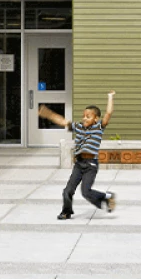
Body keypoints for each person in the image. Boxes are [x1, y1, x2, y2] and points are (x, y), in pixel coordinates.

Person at [40, 91, 117, 220]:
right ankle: (66, 212)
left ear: (95, 119)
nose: (84, 118)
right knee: (67, 191)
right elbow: (63, 121)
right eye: (83, 116)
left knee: (86, 192)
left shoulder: (99, 127)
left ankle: (107, 197)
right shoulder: (79, 127)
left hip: (91, 165)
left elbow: (108, 113)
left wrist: (110, 97)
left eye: (88, 116)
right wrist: (48, 114)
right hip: (79, 164)